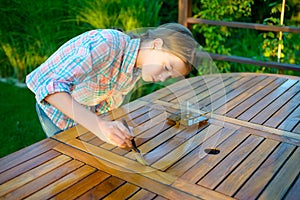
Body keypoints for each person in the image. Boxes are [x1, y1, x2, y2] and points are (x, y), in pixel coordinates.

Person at [26, 23, 199, 148]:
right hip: (56, 114)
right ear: (156, 44)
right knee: (66, 165)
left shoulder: (136, 69)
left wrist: (114, 127)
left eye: (170, 76)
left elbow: (105, 101)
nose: (163, 78)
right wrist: (99, 126)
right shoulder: (108, 44)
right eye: (167, 67)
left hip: (83, 113)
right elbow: (50, 87)